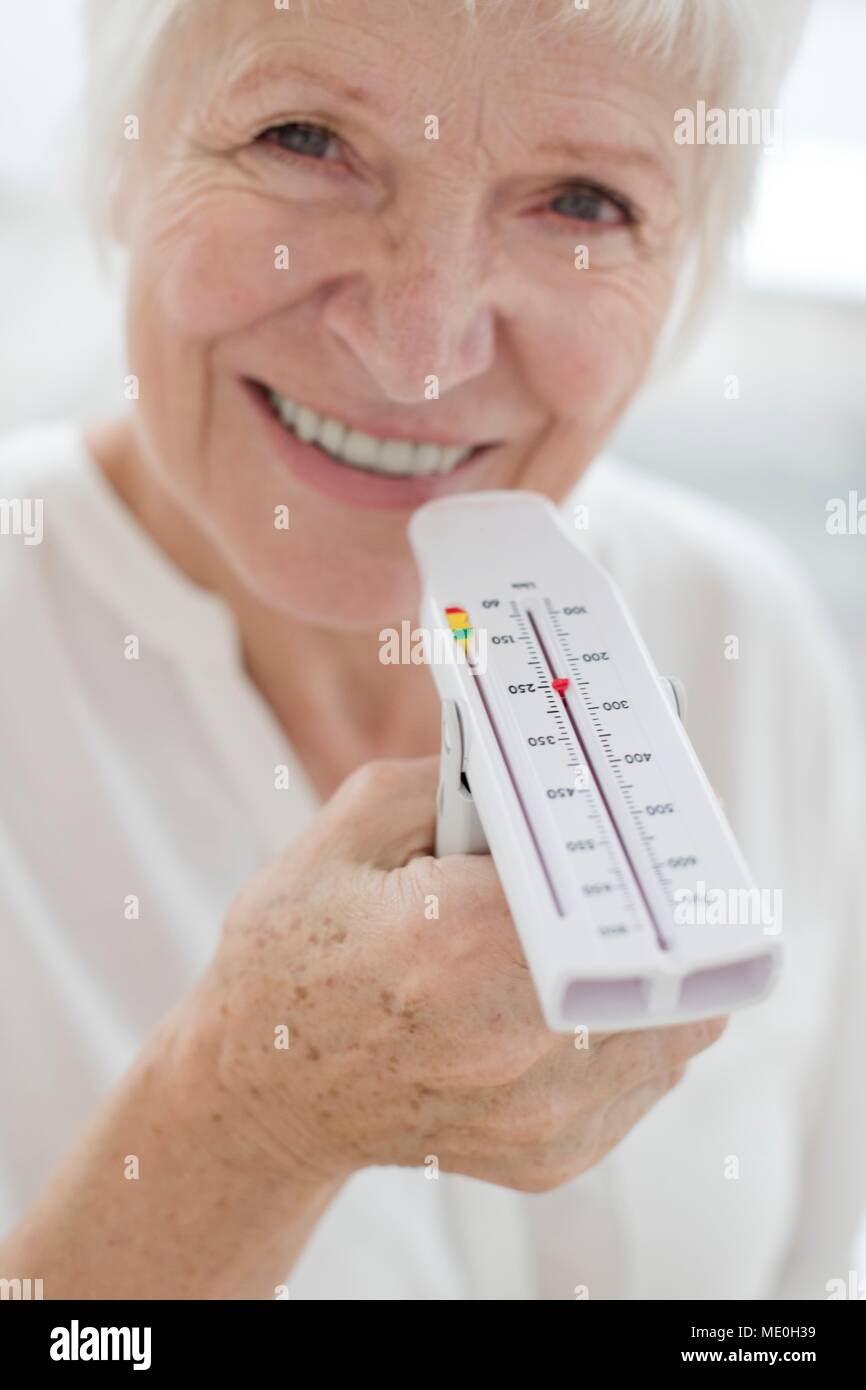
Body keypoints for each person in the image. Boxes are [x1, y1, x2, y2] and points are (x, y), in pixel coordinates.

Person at [1, 0, 863, 1300]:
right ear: (124, 158)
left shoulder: (738, 628)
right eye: (304, 138)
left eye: (580, 201)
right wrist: (241, 1116)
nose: (416, 350)